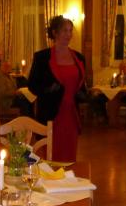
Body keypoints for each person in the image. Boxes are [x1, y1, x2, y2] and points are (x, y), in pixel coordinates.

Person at [27, 15, 86, 162]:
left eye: (70, 30)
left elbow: (82, 83)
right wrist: (49, 89)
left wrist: (82, 94)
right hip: (51, 114)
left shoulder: (79, 57)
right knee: (51, 156)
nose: (68, 34)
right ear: (55, 32)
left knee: (69, 156)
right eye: (65, 30)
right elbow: (32, 85)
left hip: (71, 115)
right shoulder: (42, 57)